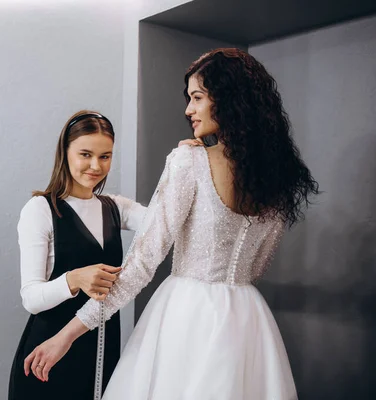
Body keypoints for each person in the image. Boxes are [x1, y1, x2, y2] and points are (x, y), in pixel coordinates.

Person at [24, 48, 319, 400]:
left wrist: (66, 335)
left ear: (227, 100)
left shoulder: (188, 162)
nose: (188, 110)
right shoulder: (277, 178)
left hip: (186, 315)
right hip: (248, 318)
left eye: (197, 98)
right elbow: (257, 264)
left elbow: (141, 264)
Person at [8, 111, 147, 400]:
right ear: (65, 152)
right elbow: (30, 299)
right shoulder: (41, 209)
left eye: (105, 156)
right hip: (48, 355)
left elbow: (167, 220)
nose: (96, 166)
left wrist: (192, 161)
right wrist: (73, 279)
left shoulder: (115, 208)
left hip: (102, 349)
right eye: (86, 154)